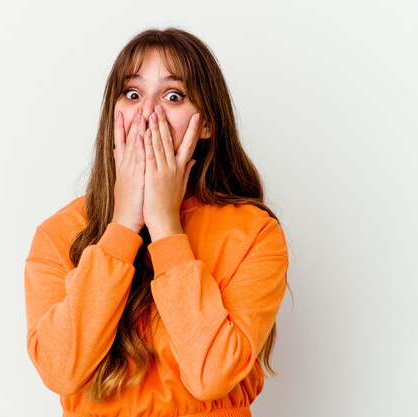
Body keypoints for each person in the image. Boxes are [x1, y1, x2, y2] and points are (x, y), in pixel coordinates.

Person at [24, 27, 290, 417]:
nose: (148, 113)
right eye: (132, 94)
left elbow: (211, 376)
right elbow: (61, 371)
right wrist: (121, 227)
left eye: (173, 95)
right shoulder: (58, 233)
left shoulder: (254, 233)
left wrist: (165, 225)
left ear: (206, 124)